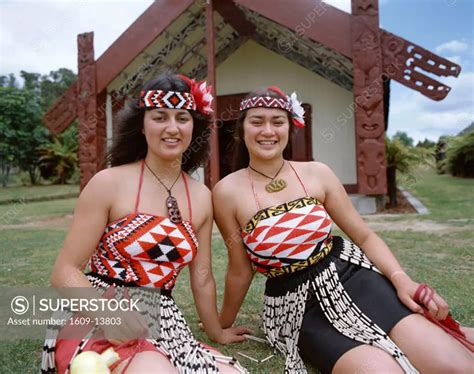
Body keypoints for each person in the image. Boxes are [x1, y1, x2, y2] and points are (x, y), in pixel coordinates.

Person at [213, 86, 473, 373]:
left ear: (290, 126)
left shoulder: (317, 173)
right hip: (295, 306)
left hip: (354, 276)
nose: (268, 130)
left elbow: (363, 235)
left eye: (277, 121)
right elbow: (240, 269)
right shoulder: (226, 192)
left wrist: (401, 280)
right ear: (241, 128)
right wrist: (222, 324)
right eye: (257, 121)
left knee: (453, 365)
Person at [41, 72, 249, 373]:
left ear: (195, 126)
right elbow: (64, 271)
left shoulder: (201, 196)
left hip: (162, 316)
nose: (172, 128)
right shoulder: (108, 183)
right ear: (142, 124)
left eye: (182, 118)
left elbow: (201, 276)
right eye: (160, 117)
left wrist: (217, 331)